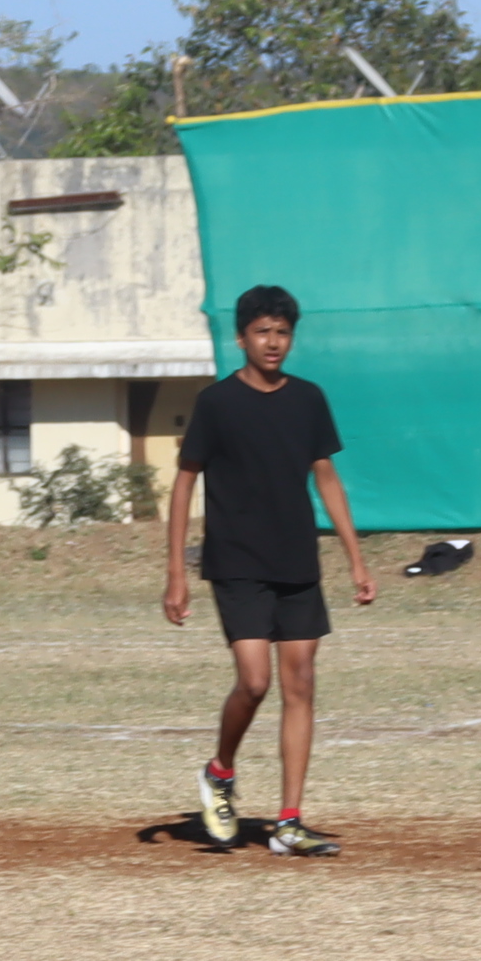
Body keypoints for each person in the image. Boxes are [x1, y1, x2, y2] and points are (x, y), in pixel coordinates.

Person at [164, 283, 378, 855]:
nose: (273, 342)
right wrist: (175, 572)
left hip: (296, 561)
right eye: (262, 331)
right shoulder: (217, 403)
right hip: (236, 562)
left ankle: (288, 821)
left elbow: (326, 478)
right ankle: (220, 772)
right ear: (241, 337)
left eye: (282, 332)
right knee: (255, 681)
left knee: (301, 684)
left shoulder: (308, 398)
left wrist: (355, 557)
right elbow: (185, 482)